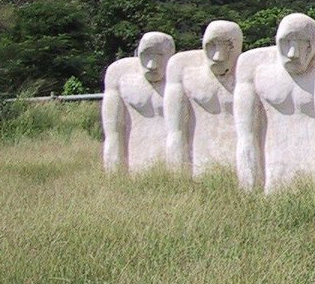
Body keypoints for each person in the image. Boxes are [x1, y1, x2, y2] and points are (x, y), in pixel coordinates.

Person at [234, 13, 315, 193]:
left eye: (302, 44)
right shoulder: (255, 67)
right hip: (273, 178)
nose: (293, 53)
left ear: (312, 44)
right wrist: (249, 190)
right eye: (286, 43)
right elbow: (247, 135)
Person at [164, 20, 243, 176]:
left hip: (235, 169)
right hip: (198, 168)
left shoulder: (250, 72)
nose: (218, 56)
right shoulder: (183, 69)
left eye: (228, 46)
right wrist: (177, 178)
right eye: (211, 45)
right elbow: (176, 131)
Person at [101, 31, 175, 174]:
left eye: (160, 55)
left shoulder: (183, 77)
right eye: (146, 55)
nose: (152, 65)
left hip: (172, 171)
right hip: (134, 168)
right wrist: (114, 177)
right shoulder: (120, 75)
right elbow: (113, 134)